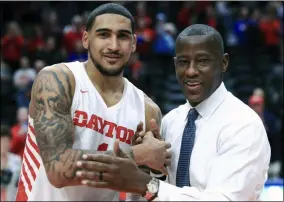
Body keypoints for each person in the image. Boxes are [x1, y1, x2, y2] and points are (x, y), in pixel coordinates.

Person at [75, 24, 271, 201]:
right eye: (183, 62)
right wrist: (151, 170)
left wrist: (144, 183)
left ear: (223, 63)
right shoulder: (170, 121)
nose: (191, 71)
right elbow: (156, 194)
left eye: (202, 61)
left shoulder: (244, 125)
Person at [15, 3, 171, 201]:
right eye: (104, 34)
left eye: (122, 36)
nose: (113, 46)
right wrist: (139, 154)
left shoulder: (147, 109)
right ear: (86, 39)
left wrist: (154, 169)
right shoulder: (57, 80)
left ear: (133, 43)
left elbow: (141, 188)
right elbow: (58, 170)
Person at [1, 125, 22, 201]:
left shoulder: (17, 160)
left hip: (12, 198)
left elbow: (20, 183)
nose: (4, 144)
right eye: (2, 141)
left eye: (6, 141)